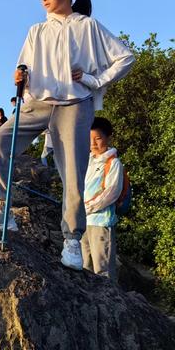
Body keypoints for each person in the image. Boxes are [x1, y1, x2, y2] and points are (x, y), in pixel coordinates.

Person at [0, 0, 135, 271]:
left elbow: (126, 57)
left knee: (72, 171)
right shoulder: (36, 31)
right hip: (39, 103)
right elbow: (24, 69)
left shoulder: (88, 26)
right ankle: (2, 210)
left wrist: (95, 81)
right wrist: (20, 76)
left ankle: (71, 239)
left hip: (75, 104)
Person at [82, 117, 123, 280]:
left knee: (103, 270)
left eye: (98, 138)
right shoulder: (88, 162)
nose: (93, 143)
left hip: (101, 224)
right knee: (85, 267)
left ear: (108, 137)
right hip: (84, 222)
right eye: (90, 139)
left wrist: (86, 207)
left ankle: (111, 304)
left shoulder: (113, 163)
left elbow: (111, 193)